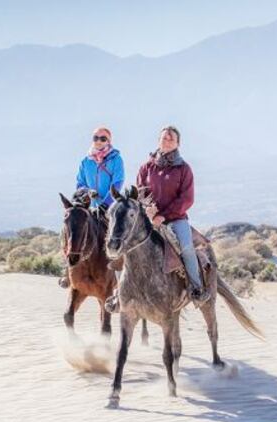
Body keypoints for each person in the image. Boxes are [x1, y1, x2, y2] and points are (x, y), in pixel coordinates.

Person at [135, 125, 208, 303]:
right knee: (126, 245)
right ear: (158, 141)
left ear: (177, 144)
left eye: (171, 138)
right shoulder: (147, 167)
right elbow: (140, 190)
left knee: (187, 249)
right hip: (150, 219)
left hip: (176, 219)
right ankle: (119, 292)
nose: (167, 141)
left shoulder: (183, 169)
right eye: (164, 138)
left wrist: (164, 216)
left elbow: (187, 199)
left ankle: (196, 288)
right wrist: (148, 208)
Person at [60, 126, 124, 288]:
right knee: (68, 228)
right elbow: (80, 183)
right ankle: (67, 271)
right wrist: (88, 193)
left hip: (109, 206)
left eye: (103, 138)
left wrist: (105, 203)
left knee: (117, 236)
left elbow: (118, 182)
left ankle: (119, 279)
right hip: (88, 205)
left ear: (109, 141)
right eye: (96, 138)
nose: (99, 141)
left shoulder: (116, 159)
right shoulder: (85, 161)